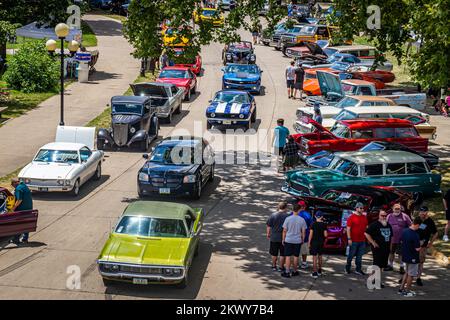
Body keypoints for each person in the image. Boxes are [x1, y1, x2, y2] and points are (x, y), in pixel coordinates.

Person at [365, 210, 393, 288]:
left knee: (381, 266)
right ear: (379, 216)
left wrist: (390, 247)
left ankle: (377, 281)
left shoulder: (388, 225)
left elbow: (391, 237)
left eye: (385, 216)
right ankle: (370, 281)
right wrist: (373, 242)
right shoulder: (374, 225)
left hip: (386, 248)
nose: (383, 217)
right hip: (377, 248)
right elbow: (366, 233)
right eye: (382, 215)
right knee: (376, 265)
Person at [281, 203, 306, 278]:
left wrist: (283, 239)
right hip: (297, 240)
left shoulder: (288, 219)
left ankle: (287, 271)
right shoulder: (302, 220)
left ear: (292, 210)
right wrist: (302, 240)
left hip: (288, 239)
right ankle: (295, 271)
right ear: (299, 210)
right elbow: (303, 232)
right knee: (296, 256)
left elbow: (284, 230)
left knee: (288, 256)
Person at [399, 217, 422, 297]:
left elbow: (401, 240)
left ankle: (401, 288)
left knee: (407, 272)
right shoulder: (415, 235)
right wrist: (421, 245)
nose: (419, 228)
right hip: (413, 257)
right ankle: (407, 291)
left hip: (405, 255)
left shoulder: (404, 231)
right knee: (411, 275)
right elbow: (417, 248)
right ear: (417, 225)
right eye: (419, 226)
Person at [415, 206, 438, 286]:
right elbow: (412, 229)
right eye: (421, 211)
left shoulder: (430, 221)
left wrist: (430, 243)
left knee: (420, 262)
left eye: (424, 212)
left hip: (423, 246)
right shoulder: (417, 219)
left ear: (427, 212)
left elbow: (435, 233)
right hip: (414, 244)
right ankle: (407, 276)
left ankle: (418, 278)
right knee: (411, 261)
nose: (422, 213)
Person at [386, 203, 412, 273]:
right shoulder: (389, 216)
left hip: (401, 239)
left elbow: (411, 226)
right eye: (396, 209)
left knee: (401, 254)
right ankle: (390, 265)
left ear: (400, 209)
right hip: (391, 239)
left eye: (398, 209)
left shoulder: (405, 216)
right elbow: (385, 225)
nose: (397, 210)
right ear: (393, 209)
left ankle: (401, 267)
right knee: (391, 252)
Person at [345, 202, 368, 275]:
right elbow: (348, 229)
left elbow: (366, 227)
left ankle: (358, 269)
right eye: (361, 208)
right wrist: (349, 239)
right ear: (356, 208)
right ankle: (347, 268)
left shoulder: (364, 217)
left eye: (363, 208)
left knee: (359, 256)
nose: (362, 209)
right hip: (353, 240)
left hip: (362, 240)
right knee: (351, 255)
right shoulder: (351, 217)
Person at [266, 201, 290, 272]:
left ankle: (274, 266)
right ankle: (281, 267)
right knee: (282, 254)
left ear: (278, 207)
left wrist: (268, 233)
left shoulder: (273, 215)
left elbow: (268, 226)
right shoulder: (287, 216)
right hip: (284, 238)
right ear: (285, 208)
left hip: (274, 237)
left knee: (274, 253)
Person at [11, 178, 33, 244]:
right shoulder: (24, 186)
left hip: (21, 210)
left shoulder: (18, 189)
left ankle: (16, 239)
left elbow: (19, 200)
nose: (13, 186)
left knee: (18, 224)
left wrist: (13, 208)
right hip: (29, 209)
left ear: (15, 183)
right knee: (26, 224)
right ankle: (25, 239)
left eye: (12, 185)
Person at [309, 210, 327, 279]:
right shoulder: (324, 224)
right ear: (322, 217)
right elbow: (325, 235)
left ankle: (314, 272)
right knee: (320, 256)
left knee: (314, 257)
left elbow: (311, 235)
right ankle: (319, 270)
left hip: (314, 243)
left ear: (315, 216)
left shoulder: (313, 224)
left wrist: (309, 243)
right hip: (321, 242)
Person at [298, 200, 313, 269]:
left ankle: (296, 263)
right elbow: (311, 225)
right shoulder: (307, 214)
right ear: (305, 207)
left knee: (295, 250)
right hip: (305, 236)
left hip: (295, 235)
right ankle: (304, 263)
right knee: (304, 251)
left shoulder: (294, 213)